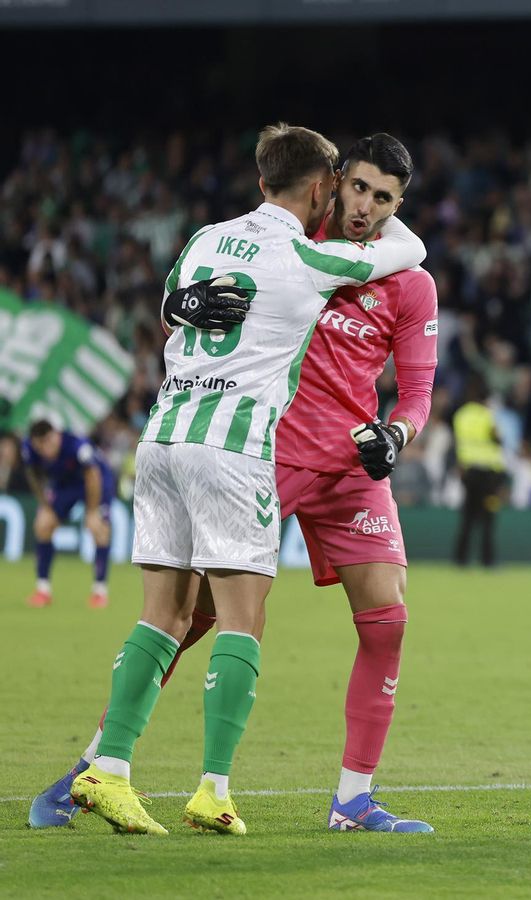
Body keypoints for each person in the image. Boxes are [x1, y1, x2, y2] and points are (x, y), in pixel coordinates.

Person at [59, 123, 425, 836]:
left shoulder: (211, 238)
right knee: (215, 619)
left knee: (375, 619)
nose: (365, 206)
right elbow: (405, 247)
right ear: (327, 186)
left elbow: (173, 296)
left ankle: (348, 800)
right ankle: (170, 780)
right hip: (254, 450)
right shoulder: (316, 257)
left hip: (207, 442)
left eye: (384, 198)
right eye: (356, 188)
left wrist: (396, 434)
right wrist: (179, 305)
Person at [21, 420, 116, 609]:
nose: (44, 451)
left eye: (47, 444)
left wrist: (91, 512)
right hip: (64, 485)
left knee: (98, 529)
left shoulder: (77, 446)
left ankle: (99, 591)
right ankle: (43, 590)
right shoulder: (29, 449)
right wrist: (45, 505)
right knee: (43, 524)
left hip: (96, 482)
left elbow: (93, 476)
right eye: (39, 447)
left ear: (54, 436)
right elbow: (33, 476)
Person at [453, 375, 504, 567]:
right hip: (489, 473)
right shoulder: (487, 415)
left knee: (468, 516)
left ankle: (461, 559)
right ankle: (488, 560)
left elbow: (459, 442)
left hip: (469, 471)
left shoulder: (461, 415)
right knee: (488, 516)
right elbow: (497, 439)